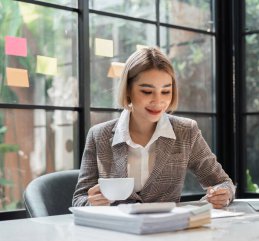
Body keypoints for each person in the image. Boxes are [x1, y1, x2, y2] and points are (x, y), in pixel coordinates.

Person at [72, 47, 235, 209]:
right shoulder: (98, 136)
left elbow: (223, 183)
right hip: (117, 232)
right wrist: (91, 202)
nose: (158, 101)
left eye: (165, 91)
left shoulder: (186, 131)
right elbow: (79, 199)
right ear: (128, 90)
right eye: (147, 91)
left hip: (167, 231)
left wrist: (223, 194)